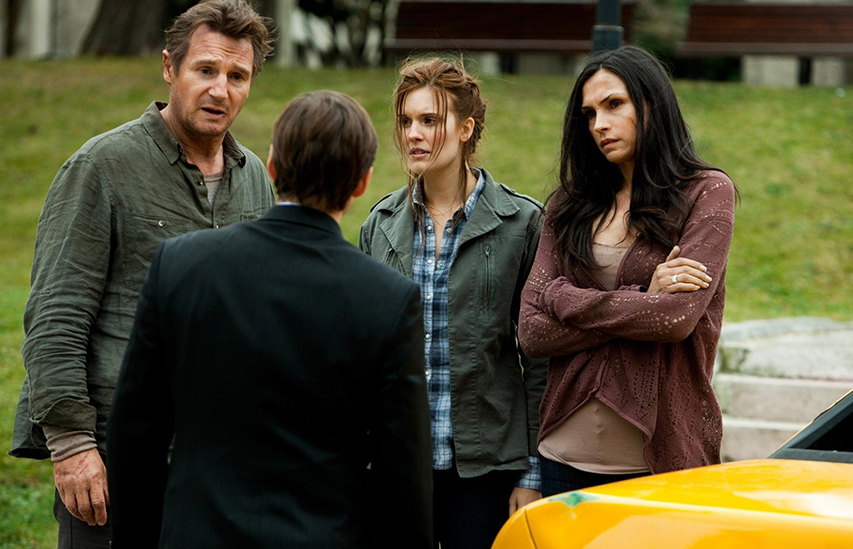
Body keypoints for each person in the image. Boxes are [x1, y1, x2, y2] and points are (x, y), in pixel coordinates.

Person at [106, 90, 433, 549]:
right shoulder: (387, 299)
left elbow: (135, 433)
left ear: (273, 164)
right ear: (363, 182)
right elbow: (403, 471)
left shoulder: (181, 265)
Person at [9, 1, 276, 545]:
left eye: (237, 76)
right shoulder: (101, 167)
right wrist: (72, 446)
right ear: (169, 68)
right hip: (115, 461)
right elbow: (57, 316)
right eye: (206, 69)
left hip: (220, 466)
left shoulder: (254, 180)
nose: (220, 90)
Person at [519, 46, 736, 496]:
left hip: (660, 463)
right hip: (562, 460)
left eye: (614, 104)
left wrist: (562, 297)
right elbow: (533, 332)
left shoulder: (706, 193)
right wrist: (643, 298)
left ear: (652, 104)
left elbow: (674, 320)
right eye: (589, 113)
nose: (599, 124)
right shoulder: (567, 205)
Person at [359, 57, 547, 549]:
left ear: (466, 129)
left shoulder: (521, 224)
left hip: (485, 470)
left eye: (430, 120)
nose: (414, 134)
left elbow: (540, 360)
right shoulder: (380, 226)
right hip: (397, 465)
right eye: (406, 121)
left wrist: (532, 472)